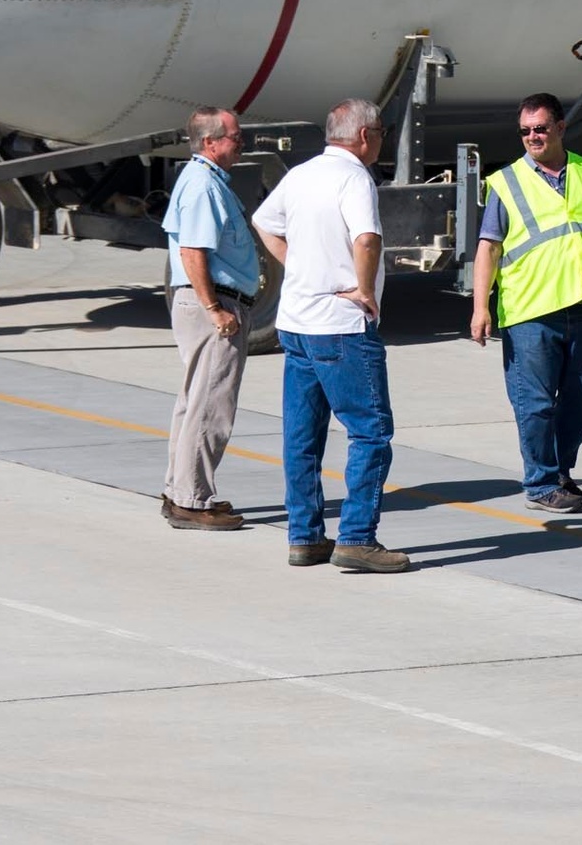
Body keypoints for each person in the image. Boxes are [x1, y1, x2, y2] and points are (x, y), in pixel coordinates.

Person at [469, 92, 582, 513]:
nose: (532, 136)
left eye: (540, 129)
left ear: (560, 128)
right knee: (533, 404)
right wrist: (481, 307)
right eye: (525, 131)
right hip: (529, 311)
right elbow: (488, 248)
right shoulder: (507, 181)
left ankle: (559, 470)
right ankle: (540, 482)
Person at [252, 98, 409, 573]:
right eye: (381, 131)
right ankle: (358, 537)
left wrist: (298, 267)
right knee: (370, 432)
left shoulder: (301, 173)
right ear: (364, 136)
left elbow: (263, 220)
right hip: (340, 326)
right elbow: (367, 238)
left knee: (302, 436)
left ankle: (305, 536)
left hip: (296, 323)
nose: (382, 139)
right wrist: (364, 289)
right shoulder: (354, 178)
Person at [160, 106, 260, 531]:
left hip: (209, 301)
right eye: (235, 138)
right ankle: (191, 501)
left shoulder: (205, 179)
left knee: (194, 403)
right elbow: (193, 252)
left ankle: (181, 490)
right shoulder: (202, 185)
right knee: (210, 406)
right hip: (214, 304)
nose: (241, 144)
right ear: (210, 142)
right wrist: (215, 309)